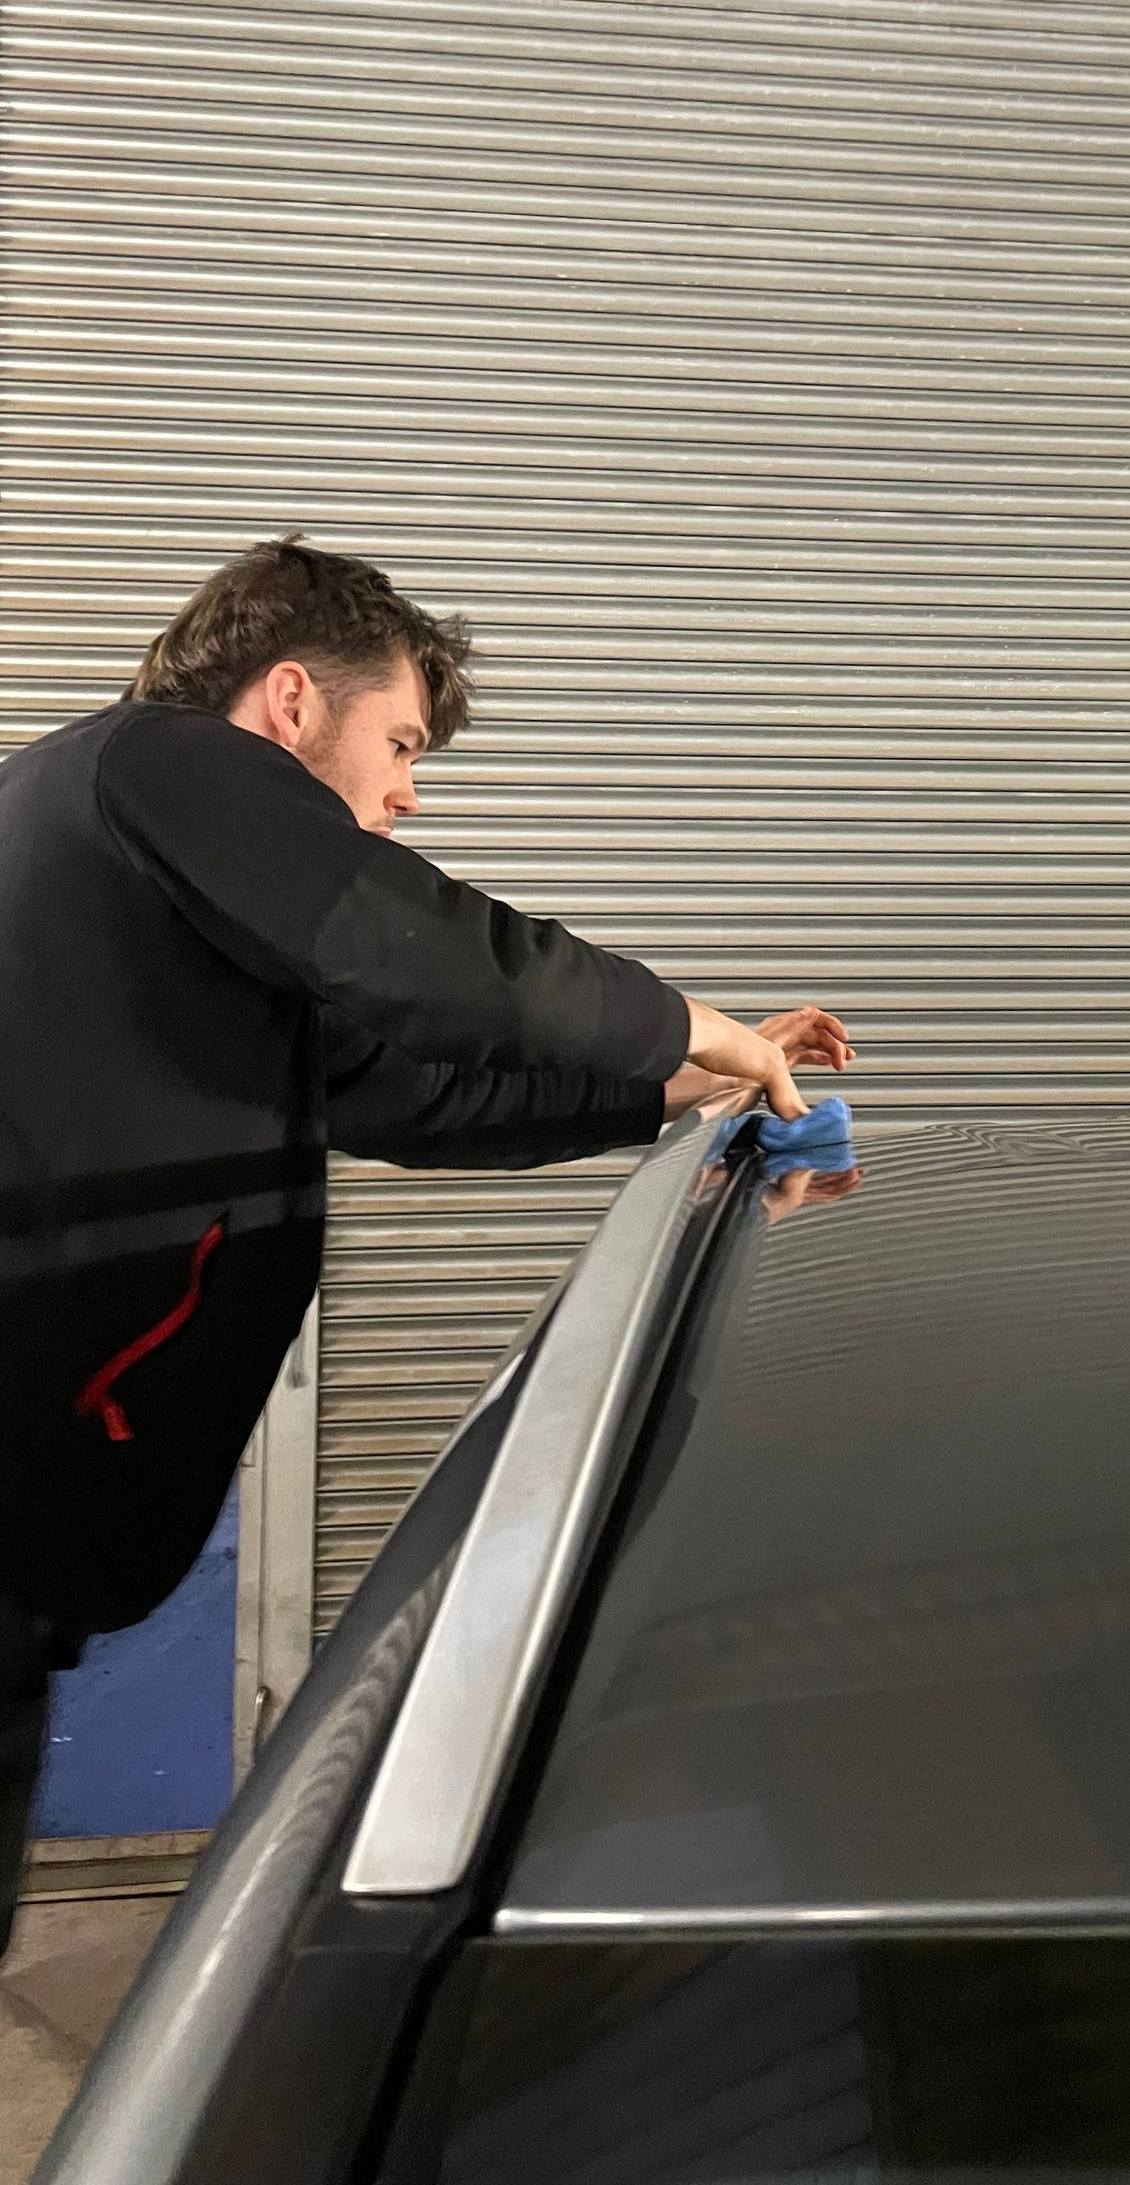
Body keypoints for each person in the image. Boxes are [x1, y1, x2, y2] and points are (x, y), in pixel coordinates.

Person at [0, 536, 852, 1939]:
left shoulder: (174, 895)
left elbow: (410, 1084)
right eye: (397, 742)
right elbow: (418, 951)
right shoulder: (156, 764)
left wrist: (668, 1083)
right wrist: (672, 1013)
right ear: (287, 705)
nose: (401, 795)